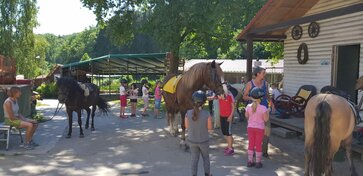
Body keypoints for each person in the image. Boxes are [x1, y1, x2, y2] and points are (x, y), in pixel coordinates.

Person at [243, 66, 272, 158]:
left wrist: (271, 103)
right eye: (263, 73)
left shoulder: (265, 83)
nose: (265, 74)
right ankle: (254, 150)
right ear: (258, 74)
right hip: (254, 110)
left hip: (264, 110)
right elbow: (244, 96)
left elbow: (267, 95)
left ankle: (264, 151)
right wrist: (253, 98)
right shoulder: (250, 84)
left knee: (267, 131)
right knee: (255, 132)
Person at [185, 90, 213, 176]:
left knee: (194, 160)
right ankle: (207, 174)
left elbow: (186, 127)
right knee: (206, 158)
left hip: (192, 140)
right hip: (204, 141)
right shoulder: (207, 114)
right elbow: (209, 128)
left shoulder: (188, 113)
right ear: (204, 102)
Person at [245, 87, 270, 168]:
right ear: (261, 98)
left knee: (251, 144)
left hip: (250, 128)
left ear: (252, 97)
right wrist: (268, 112)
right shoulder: (263, 108)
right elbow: (266, 119)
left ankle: (250, 161)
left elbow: (246, 116)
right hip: (260, 128)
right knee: (258, 144)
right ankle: (258, 162)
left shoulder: (248, 106)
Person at [218, 90, 235, 156]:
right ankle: (230, 146)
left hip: (228, 117)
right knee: (224, 132)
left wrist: (231, 116)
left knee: (228, 132)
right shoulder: (219, 95)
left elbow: (233, 106)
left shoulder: (230, 96)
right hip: (222, 116)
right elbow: (211, 98)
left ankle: (230, 149)